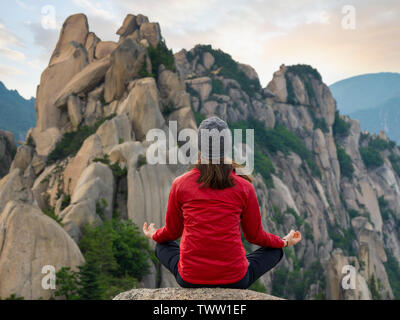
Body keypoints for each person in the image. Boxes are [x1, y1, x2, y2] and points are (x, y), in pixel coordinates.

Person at [143, 116, 302, 289]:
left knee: (162, 245)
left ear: (200, 146)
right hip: (235, 280)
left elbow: (172, 232)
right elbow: (254, 236)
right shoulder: (244, 187)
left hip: (190, 278)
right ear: (227, 147)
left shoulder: (180, 184)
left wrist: (154, 234)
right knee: (275, 250)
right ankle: (233, 266)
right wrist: (284, 242)